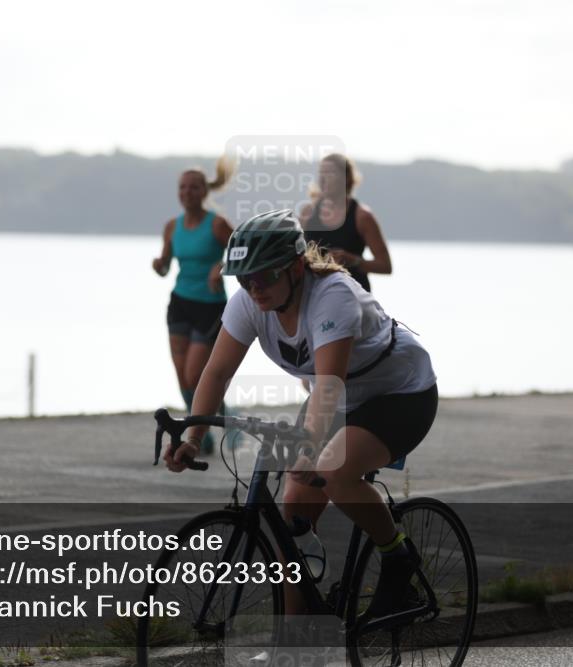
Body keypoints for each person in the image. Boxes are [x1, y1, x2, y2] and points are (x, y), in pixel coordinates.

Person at [163, 209, 438, 619]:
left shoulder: (332, 295)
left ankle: (398, 558)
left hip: (401, 393)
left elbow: (328, 383)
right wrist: (193, 438)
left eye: (263, 276)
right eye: (244, 278)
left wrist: (309, 447)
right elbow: (217, 372)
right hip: (341, 399)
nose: (254, 288)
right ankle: (297, 636)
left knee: (333, 471)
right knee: (293, 511)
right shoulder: (249, 303)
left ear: (295, 267)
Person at [152, 159, 234, 453]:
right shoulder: (172, 227)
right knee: (182, 377)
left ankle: (218, 417)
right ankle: (203, 432)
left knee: (194, 375)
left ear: (204, 191)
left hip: (210, 306)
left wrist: (220, 266)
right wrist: (159, 264)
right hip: (180, 303)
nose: (187, 192)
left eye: (193, 187)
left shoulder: (218, 224)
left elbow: (241, 254)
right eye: (182, 187)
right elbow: (165, 267)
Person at [300, 153, 392, 292]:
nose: (324, 179)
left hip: (353, 294)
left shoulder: (363, 217)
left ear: (346, 178)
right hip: (315, 294)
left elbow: (385, 266)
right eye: (321, 173)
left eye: (330, 173)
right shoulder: (307, 212)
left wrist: (353, 261)